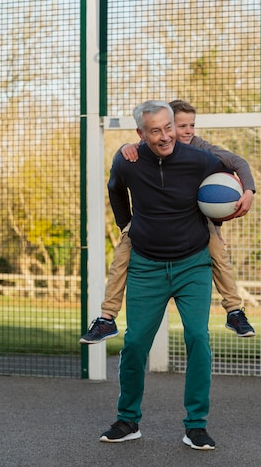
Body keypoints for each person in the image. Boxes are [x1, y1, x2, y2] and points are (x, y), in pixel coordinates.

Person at [98, 100, 232, 449]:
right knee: (136, 342)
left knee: (198, 338)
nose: (164, 136)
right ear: (140, 134)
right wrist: (126, 224)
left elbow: (230, 173)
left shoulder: (200, 160)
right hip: (146, 266)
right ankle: (128, 420)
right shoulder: (126, 160)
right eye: (154, 130)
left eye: (168, 127)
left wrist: (244, 193)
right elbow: (114, 189)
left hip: (193, 264)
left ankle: (196, 426)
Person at [80, 100, 256, 347]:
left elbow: (237, 163)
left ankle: (234, 310)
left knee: (219, 254)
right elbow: (117, 185)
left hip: (198, 222)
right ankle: (107, 317)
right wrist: (124, 148)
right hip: (147, 229)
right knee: (121, 257)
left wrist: (248, 191)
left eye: (189, 126)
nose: (187, 131)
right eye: (181, 125)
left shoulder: (200, 150)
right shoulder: (141, 150)